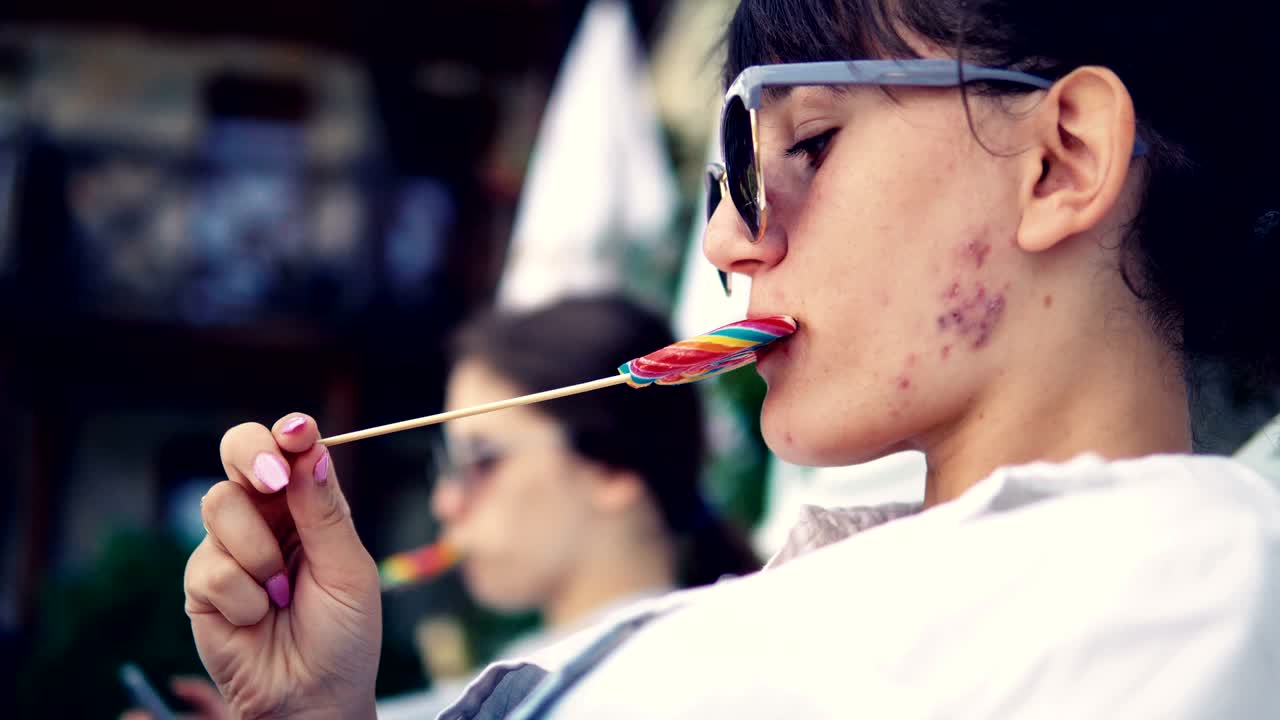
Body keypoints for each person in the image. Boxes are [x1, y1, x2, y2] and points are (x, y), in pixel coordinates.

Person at [182, 1, 1280, 717]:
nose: (725, 241)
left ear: (1058, 160)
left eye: (803, 143)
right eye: (721, 183)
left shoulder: (1185, 585)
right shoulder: (842, 591)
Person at [128, 296, 756, 720]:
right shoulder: (534, 675)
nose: (446, 501)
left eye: (481, 459)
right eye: (445, 465)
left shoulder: (691, 684)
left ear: (614, 466)